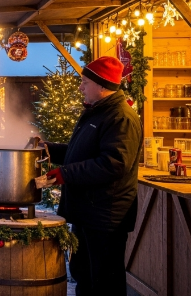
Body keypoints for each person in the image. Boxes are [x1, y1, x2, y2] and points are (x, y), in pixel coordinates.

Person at [39, 57, 141, 295]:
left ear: (102, 85)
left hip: (106, 216)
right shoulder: (97, 113)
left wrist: (65, 174)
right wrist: (50, 149)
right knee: (83, 274)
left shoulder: (120, 117)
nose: (80, 87)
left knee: (104, 283)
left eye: (85, 82)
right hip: (88, 212)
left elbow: (113, 163)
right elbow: (81, 152)